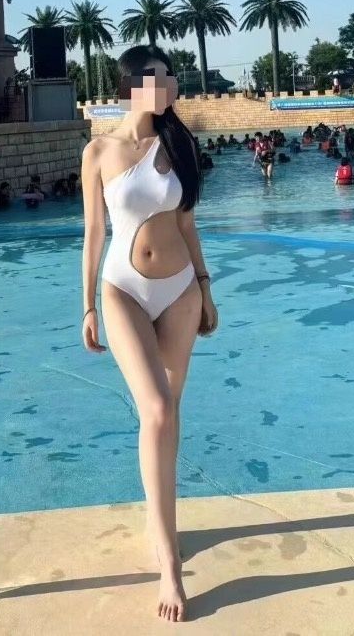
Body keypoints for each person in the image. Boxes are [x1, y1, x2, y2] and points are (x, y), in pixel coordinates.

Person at [80, 44, 217, 624]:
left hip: (180, 291)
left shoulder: (179, 144)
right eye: (160, 78)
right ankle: (168, 563)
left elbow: (187, 223)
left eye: (173, 78)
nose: (171, 87)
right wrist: (86, 306)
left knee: (169, 412)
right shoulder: (99, 151)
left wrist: (205, 287)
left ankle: (162, 523)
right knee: (155, 410)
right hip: (123, 290)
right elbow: (93, 232)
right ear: (131, 85)